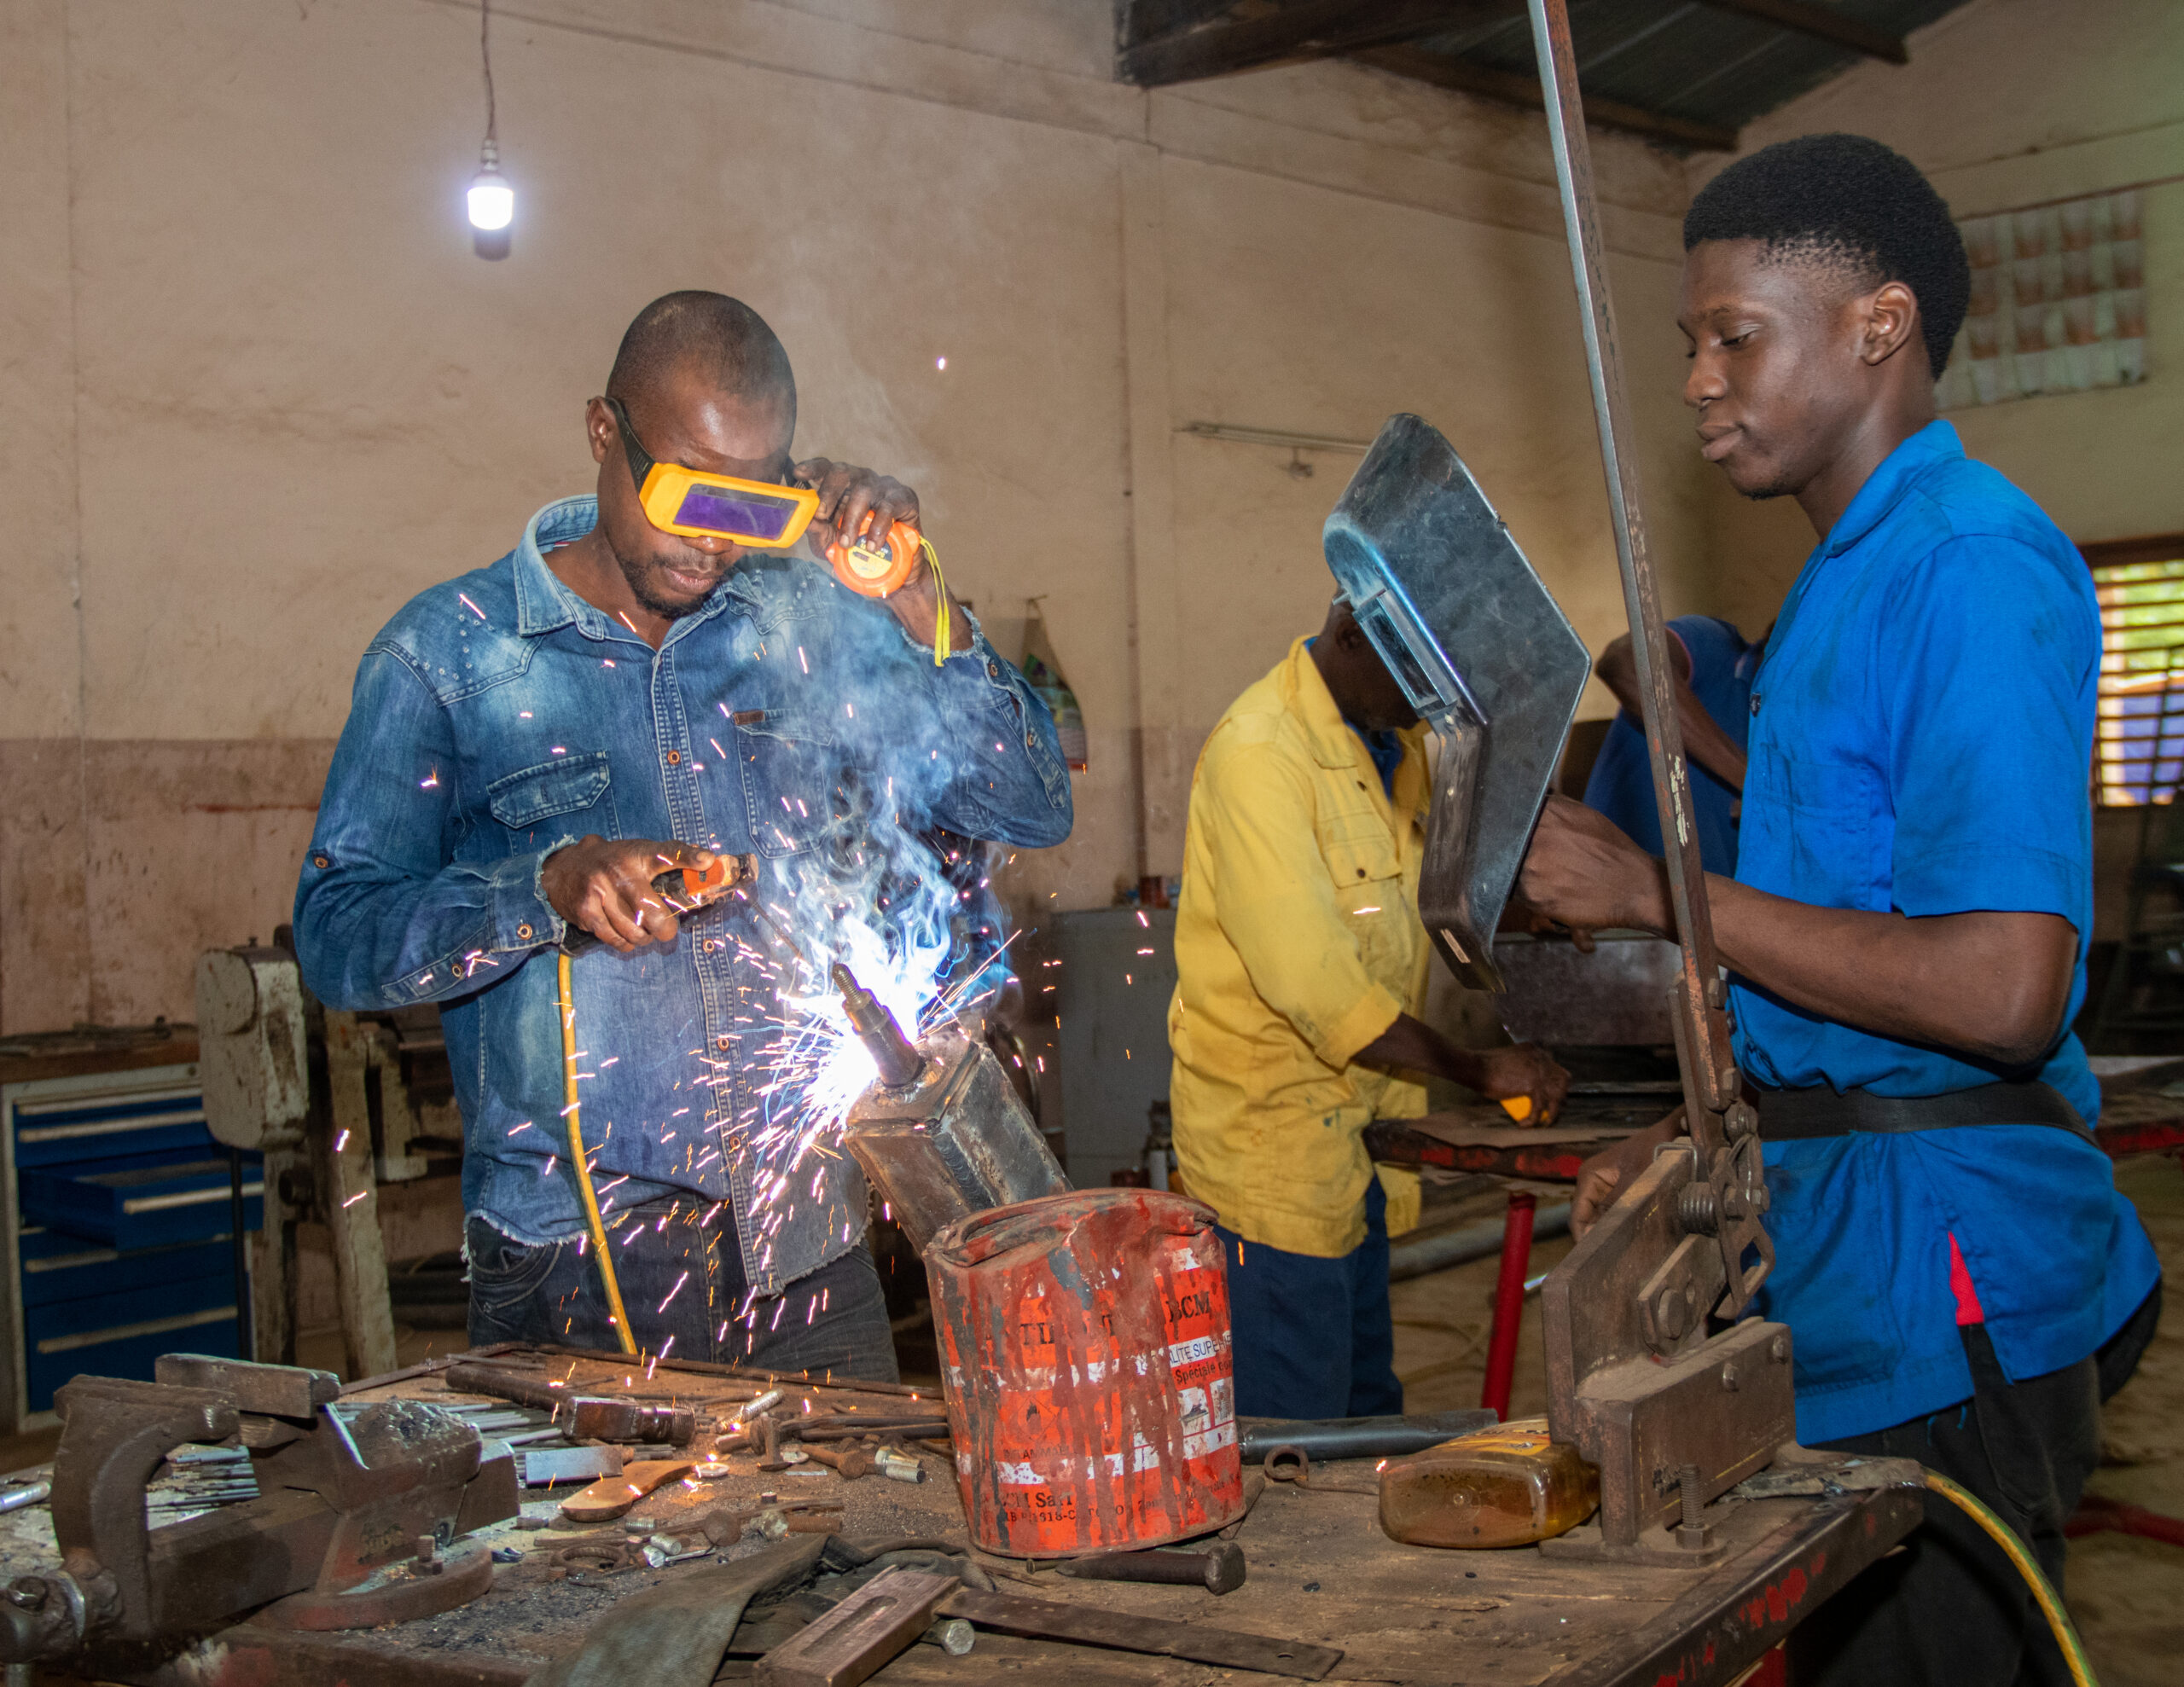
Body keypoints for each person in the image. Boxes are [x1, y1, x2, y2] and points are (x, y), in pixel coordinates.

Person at [1519, 136, 2159, 1687]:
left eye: (1737, 336)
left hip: (1949, 1275)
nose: (1698, 379)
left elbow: (2005, 983)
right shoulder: (1842, 580)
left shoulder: (1968, 566)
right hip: (1845, 1250)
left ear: (1878, 326)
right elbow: (1853, 866)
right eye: (1689, 345)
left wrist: (1655, 893)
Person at [294, 292, 1072, 1379]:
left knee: (871, 1537)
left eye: (749, 506)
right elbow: (336, 937)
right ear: (604, 433)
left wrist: (918, 601)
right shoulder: (449, 658)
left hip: (804, 1246)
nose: (711, 538)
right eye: (688, 493)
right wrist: (543, 887)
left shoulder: (804, 629)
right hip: (572, 1268)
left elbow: (1030, 802)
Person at [1168, 597, 1570, 1419]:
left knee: (1365, 1414)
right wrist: (1476, 1069)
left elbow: (1416, 885)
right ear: (1351, 637)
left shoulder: (1393, 742)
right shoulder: (1260, 754)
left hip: (1358, 1141)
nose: (1427, 706)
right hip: (1272, 1163)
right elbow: (1319, 990)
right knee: (1294, 1442)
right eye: (1413, 681)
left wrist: (1517, 909)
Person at [1582, 617, 1763, 874]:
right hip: (1602, 880)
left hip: (1709, 906)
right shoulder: (1719, 646)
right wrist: (1753, 785)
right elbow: (1627, 663)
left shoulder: (1801, 735)